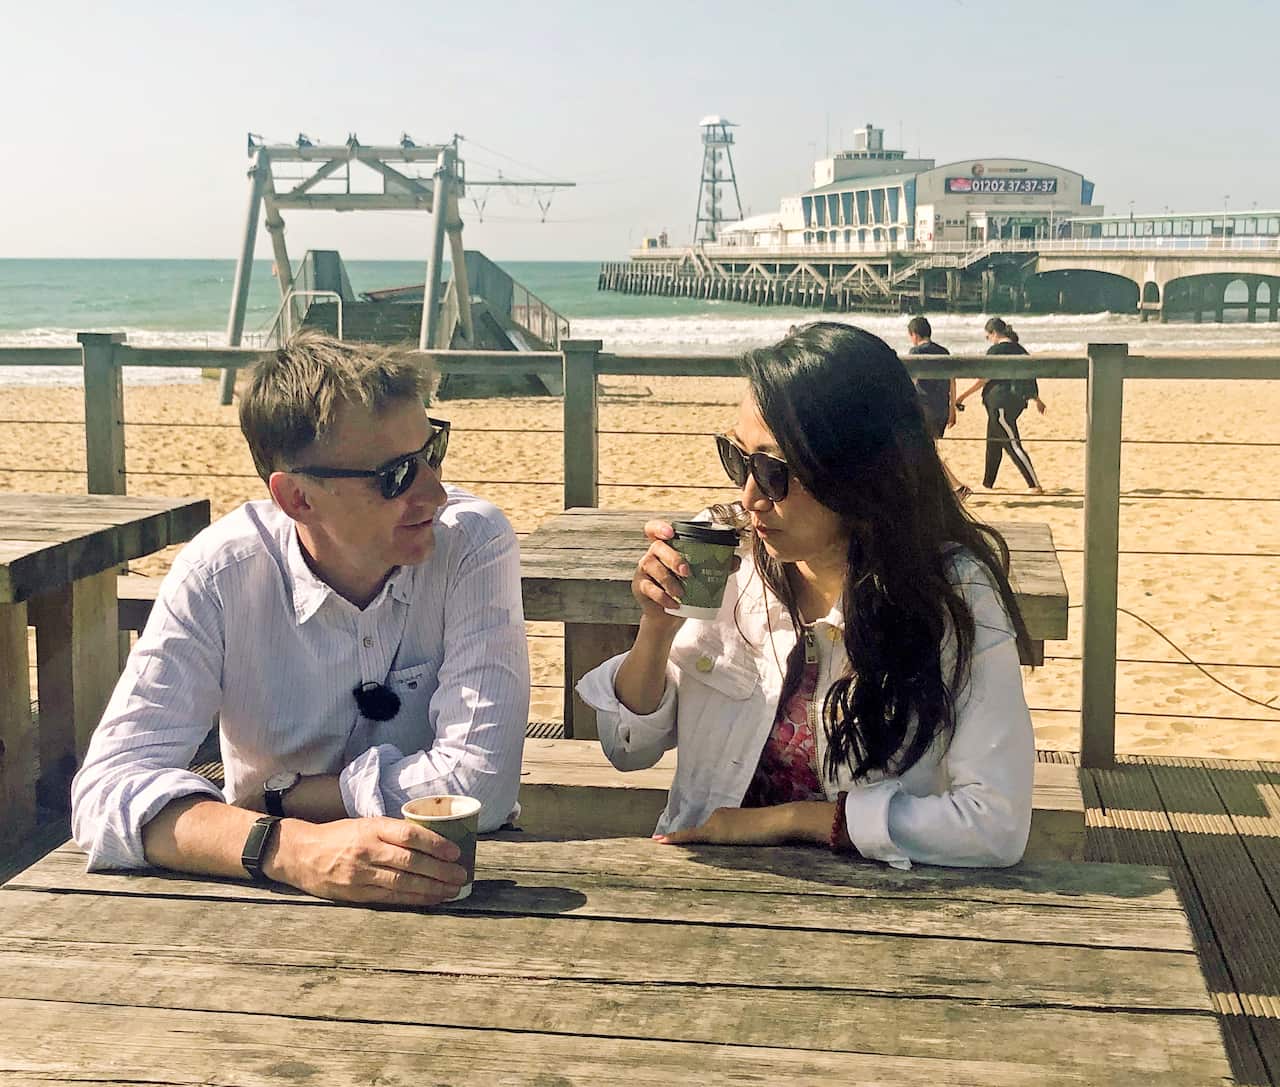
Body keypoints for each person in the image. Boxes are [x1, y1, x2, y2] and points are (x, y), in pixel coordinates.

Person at [71, 332, 530, 906]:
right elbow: (105, 791)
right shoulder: (221, 574)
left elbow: (481, 786)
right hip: (260, 899)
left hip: (456, 891)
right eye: (395, 476)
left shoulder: (470, 541)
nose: (435, 493)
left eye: (431, 453)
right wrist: (294, 850)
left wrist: (282, 797)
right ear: (297, 500)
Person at [576, 322, 1037, 869]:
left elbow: (996, 824)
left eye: (774, 473)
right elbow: (628, 749)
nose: (749, 496)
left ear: (856, 473)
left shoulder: (951, 594)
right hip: (709, 891)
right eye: (738, 458)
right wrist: (656, 628)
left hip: (876, 908)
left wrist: (801, 819)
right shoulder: (726, 559)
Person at [956, 317, 1046, 494]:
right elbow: (1029, 378)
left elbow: (984, 378)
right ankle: (987, 484)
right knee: (994, 443)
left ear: (994, 333)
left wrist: (962, 397)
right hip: (1016, 402)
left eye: (987, 336)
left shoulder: (996, 350)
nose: (988, 340)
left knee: (1012, 443)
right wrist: (1037, 400)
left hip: (1000, 402)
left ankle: (1034, 484)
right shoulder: (1020, 350)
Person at [906, 316, 968, 500]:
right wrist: (952, 409)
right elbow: (952, 380)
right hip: (941, 407)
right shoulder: (944, 351)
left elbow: (911, 380)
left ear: (914, 335)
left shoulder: (916, 351)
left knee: (924, 449)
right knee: (927, 449)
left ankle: (956, 487)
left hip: (924, 406)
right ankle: (946, 488)